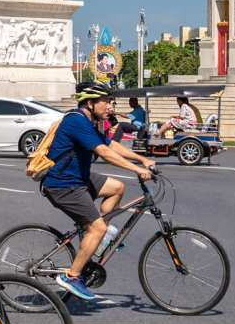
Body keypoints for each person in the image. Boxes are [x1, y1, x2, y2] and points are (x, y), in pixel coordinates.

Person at [37, 81, 155, 302]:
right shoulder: (76, 121)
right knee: (98, 227)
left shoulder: (88, 121)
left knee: (117, 188)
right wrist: (136, 170)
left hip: (79, 177)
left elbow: (110, 145)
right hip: (63, 184)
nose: (109, 106)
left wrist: (142, 159)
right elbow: (103, 153)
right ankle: (72, 276)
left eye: (110, 102)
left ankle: (96, 240)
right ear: (90, 103)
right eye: (106, 102)